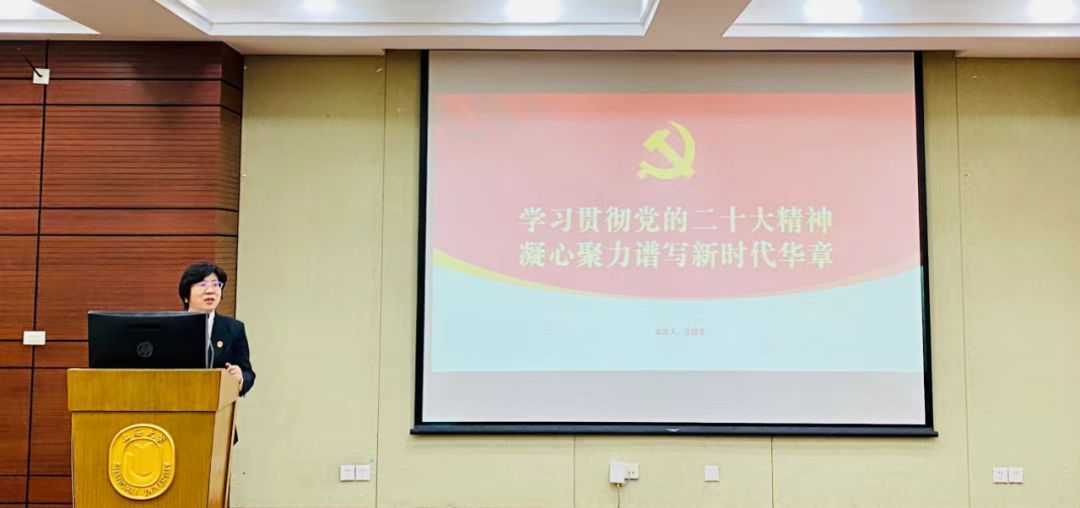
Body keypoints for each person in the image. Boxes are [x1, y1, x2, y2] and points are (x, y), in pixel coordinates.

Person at [178, 262, 255, 397]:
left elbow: (248, 373)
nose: (210, 290)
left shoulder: (234, 329)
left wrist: (241, 377)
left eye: (216, 284)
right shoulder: (172, 326)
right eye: (203, 284)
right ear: (186, 295)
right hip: (175, 400)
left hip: (217, 403)